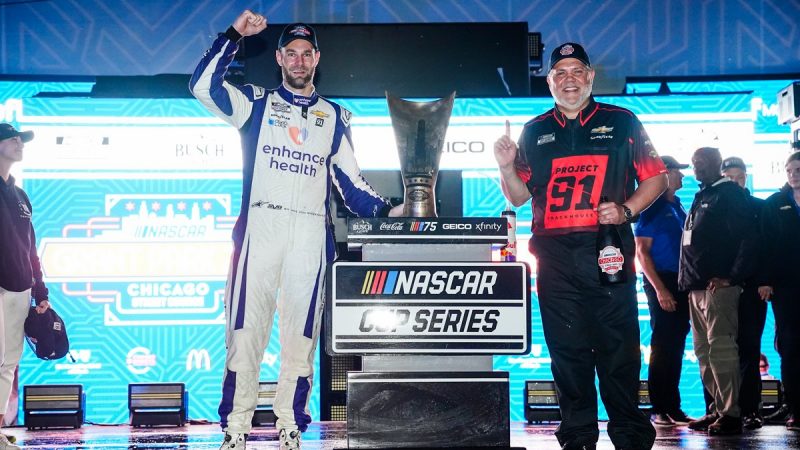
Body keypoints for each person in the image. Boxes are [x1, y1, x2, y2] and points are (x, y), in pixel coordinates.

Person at [189, 11, 402, 450]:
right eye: (292, 53)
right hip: (261, 225)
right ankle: (236, 426)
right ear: (281, 59)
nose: (300, 60)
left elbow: (351, 184)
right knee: (245, 331)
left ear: (316, 59)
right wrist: (234, 36)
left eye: (307, 53)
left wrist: (390, 210)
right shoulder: (256, 102)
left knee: (300, 338)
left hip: (310, 232)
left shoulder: (336, 115)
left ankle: (290, 422)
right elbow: (202, 87)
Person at [494, 42, 666, 450]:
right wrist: (503, 165)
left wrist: (625, 210)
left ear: (590, 76)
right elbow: (518, 197)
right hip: (553, 258)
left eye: (576, 71)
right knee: (567, 352)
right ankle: (577, 436)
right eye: (560, 73)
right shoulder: (534, 130)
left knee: (619, 350)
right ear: (549, 81)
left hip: (607, 252)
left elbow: (656, 178)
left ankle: (629, 434)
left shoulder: (622, 121)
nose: (568, 79)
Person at [680, 147, 756, 435]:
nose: (696, 168)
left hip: (718, 289)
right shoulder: (704, 194)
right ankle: (716, 410)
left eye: (701, 162)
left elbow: (749, 238)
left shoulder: (729, 195)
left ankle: (731, 413)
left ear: (716, 164)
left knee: (722, 350)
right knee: (703, 352)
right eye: (693, 163)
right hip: (697, 288)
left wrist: (731, 277)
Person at [0, 123, 52, 450]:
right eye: (13, 138)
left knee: (7, 363)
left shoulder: (20, 195)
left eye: (22, 140)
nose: (20, 143)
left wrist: (41, 290)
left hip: (20, 288)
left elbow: (30, 248)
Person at [634, 155, 695, 426]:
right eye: (677, 171)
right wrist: (660, 289)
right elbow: (642, 252)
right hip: (663, 281)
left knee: (676, 345)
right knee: (663, 344)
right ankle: (659, 408)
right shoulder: (652, 208)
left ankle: (673, 406)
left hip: (682, 281)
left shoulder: (678, 206)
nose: (682, 176)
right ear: (664, 174)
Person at [720, 156, 767, 429]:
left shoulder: (761, 208)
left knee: (749, 349)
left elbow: (766, 249)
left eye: (739, 177)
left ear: (746, 177)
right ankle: (721, 409)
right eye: (729, 178)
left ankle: (750, 410)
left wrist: (764, 280)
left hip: (750, 289)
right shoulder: (713, 207)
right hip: (718, 291)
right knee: (720, 351)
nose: (735, 182)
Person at [757, 151, 800, 432]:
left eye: (798, 168)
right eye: (789, 170)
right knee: (792, 347)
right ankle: (796, 409)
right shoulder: (775, 204)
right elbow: (764, 245)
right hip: (786, 287)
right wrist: (764, 279)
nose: (793, 174)